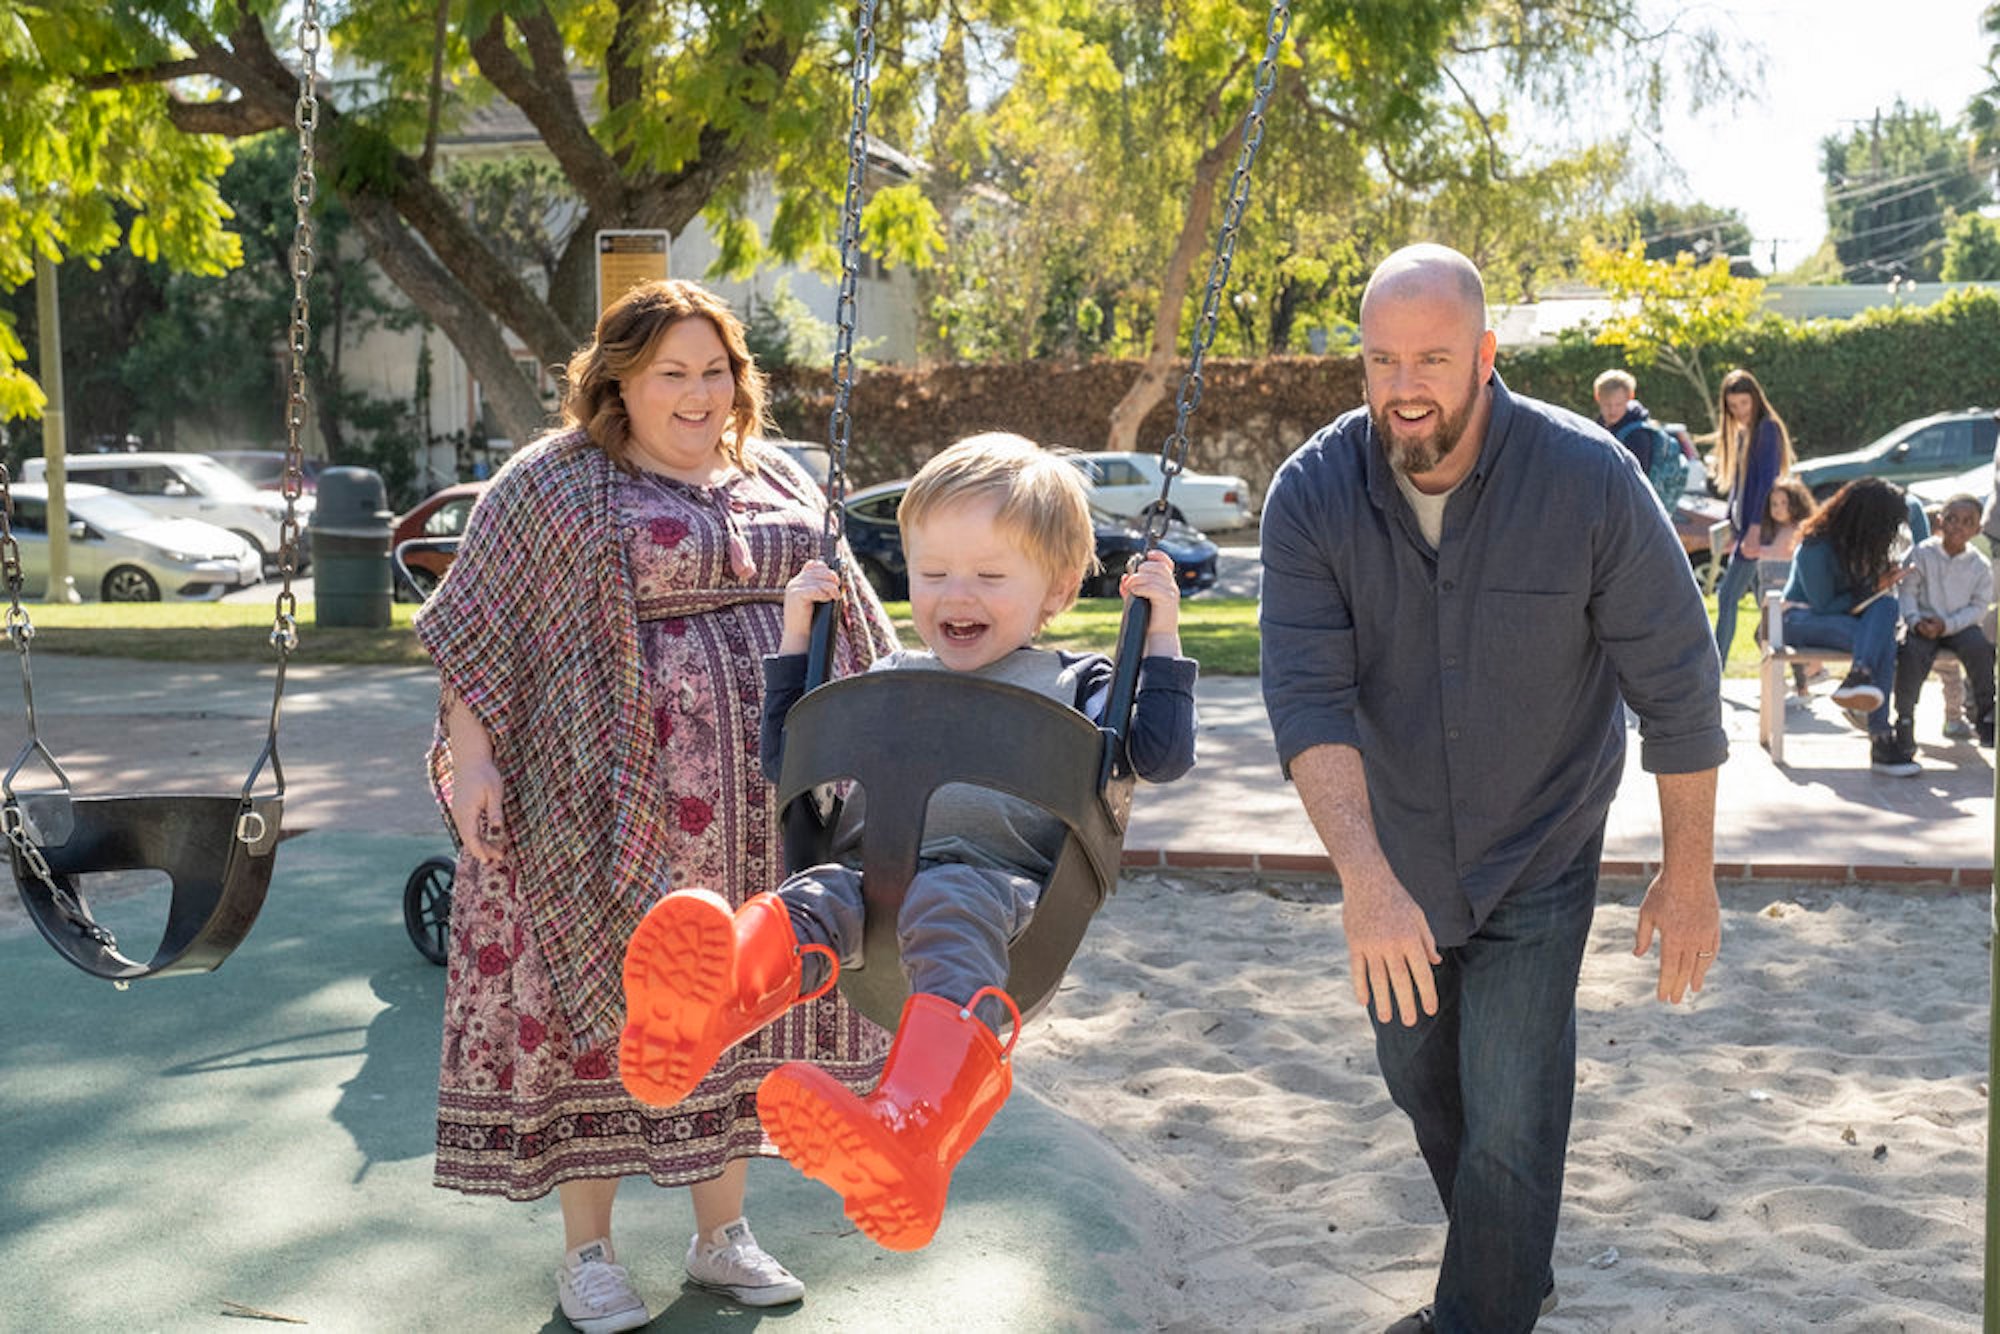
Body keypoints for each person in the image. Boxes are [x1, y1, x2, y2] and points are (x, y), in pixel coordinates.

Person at [413, 278, 898, 1333]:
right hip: (590, 811)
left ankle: (718, 1235)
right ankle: (587, 1255)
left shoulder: (774, 471)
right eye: (670, 372)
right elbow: (476, 631)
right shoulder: (551, 482)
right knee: (603, 1017)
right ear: (617, 382)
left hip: (755, 818)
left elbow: (857, 622)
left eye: (714, 369)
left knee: (727, 1003)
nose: (697, 393)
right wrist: (475, 760)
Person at [1258, 243, 1726, 1334]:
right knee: (1421, 1074)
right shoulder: (1311, 494)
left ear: (1484, 354)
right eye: (1380, 360)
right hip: (1399, 844)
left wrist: (1687, 870)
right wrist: (1365, 880)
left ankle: (1481, 1308)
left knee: (1510, 1105)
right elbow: (1307, 700)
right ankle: (1510, 1264)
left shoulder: (1586, 477)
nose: (1404, 386)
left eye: (1429, 357)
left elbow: (1678, 680)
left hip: (1539, 839)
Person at [618, 432, 1199, 1252]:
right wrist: (798, 637)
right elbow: (790, 758)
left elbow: (1163, 754)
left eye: (991, 577)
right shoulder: (894, 671)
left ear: (1059, 589)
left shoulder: (1081, 683)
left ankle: (912, 1129)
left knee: (948, 896)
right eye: (933, 575)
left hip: (1002, 903)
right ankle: (708, 1010)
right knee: (808, 899)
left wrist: (1162, 634)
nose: (956, 595)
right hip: (867, 876)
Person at [1779, 477, 1919, 776]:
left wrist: (1881, 586)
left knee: (1888, 605)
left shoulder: (1860, 547)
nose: (1890, 532)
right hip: (1797, 620)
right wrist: (1872, 587)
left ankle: (1859, 676)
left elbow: (1867, 603)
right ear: (1866, 519)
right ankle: (1881, 740)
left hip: (1846, 621)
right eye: (1886, 524)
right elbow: (1823, 605)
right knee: (1881, 639)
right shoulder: (1814, 547)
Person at [1893, 494, 1995, 747]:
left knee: (1981, 649)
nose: (1958, 526)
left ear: (1978, 529)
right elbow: (1907, 592)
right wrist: (1916, 621)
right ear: (1939, 521)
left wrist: (1948, 625)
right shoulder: (1921, 554)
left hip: (1959, 626)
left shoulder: (1979, 565)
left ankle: (1986, 716)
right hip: (1923, 624)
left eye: (1967, 521)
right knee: (1911, 652)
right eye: (1951, 519)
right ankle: (1905, 719)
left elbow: (1979, 607)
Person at [1710, 368, 1795, 663]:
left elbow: (1766, 482)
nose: (1740, 412)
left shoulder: (1767, 429)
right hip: (1746, 529)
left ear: (1756, 399)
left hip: (1758, 531)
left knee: (1727, 597)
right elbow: (1740, 487)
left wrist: (1755, 528)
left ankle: (1715, 667)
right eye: (1733, 407)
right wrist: (1734, 525)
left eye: (1744, 404)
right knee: (1767, 607)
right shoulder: (1745, 432)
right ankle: (1803, 672)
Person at [1745, 476, 1817, 700]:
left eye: (1784, 503)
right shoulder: (1772, 530)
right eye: (1774, 504)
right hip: (1772, 598)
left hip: (1790, 599)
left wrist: (1761, 552)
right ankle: (1798, 684)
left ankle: (1795, 681)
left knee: (1765, 636)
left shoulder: (1798, 530)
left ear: (1797, 503)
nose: (1778, 509)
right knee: (1778, 641)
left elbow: (1786, 554)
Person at [1592, 368, 1686, 511]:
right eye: (1607, 405)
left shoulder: (1638, 435)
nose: (1612, 411)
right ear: (1597, 397)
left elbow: (1635, 481)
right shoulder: (1599, 427)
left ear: (1630, 397)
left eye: (1618, 404)